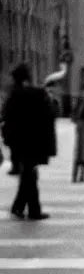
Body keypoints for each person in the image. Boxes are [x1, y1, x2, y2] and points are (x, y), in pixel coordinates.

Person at [2, 64, 57, 220]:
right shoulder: (37, 94)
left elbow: (6, 118)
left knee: (28, 175)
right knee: (30, 175)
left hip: (19, 144)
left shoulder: (14, 96)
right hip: (34, 143)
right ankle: (30, 210)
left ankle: (21, 207)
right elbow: (49, 116)